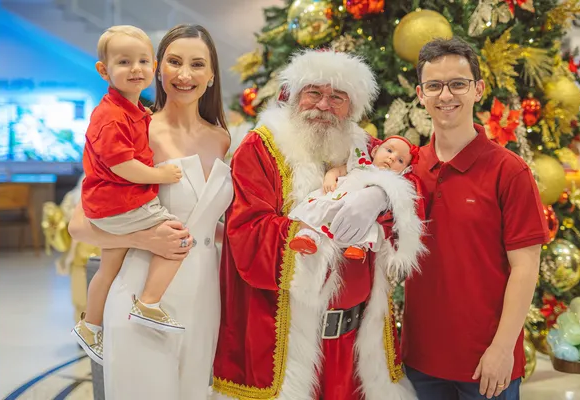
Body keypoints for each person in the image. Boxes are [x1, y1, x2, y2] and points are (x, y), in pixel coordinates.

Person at [211, 49, 426, 400]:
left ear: (352, 108)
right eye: (314, 92)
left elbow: (412, 188)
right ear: (293, 96)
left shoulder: (367, 148)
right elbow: (247, 235)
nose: (323, 105)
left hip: (356, 347)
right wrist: (324, 235)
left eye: (337, 97)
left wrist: (383, 195)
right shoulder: (261, 148)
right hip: (284, 344)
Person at [68, 24, 232, 400]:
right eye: (174, 62)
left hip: (205, 295)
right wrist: (140, 237)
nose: (184, 74)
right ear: (159, 70)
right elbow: (80, 225)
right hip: (140, 290)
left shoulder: (223, 137)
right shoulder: (132, 129)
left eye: (197, 64)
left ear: (211, 76)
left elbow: (206, 222)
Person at [402, 37, 550, 400]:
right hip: (419, 361)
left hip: (486, 364)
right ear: (421, 94)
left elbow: (526, 268)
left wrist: (502, 349)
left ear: (478, 89)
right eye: (434, 86)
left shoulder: (509, 171)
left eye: (458, 84)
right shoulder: (407, 168)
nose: (446, 95)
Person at [71, 25, 187, 365]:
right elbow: (123, 165)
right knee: (178, 239)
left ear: (153, 66)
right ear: (104, 70)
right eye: (124, 62)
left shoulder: (130, 110)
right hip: (120, 202)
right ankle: (149, 303)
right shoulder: (109, 117)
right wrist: (160, 175)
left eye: (142, 61)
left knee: (108, 267)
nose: (135, 69)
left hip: (111, 203)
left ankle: (90, 326)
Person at [288, 135, 420, 261]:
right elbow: (339, 170)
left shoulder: (390, 186)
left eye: (400, 160)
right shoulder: (360, 164)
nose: (392, 158)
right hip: (337, 197)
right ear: (374, 151)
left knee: (372, 226)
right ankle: (307, 235)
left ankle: (358, 246)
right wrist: (330, 177)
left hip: (360, 216)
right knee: (315, 207)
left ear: (404, 171)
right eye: (389, 150)